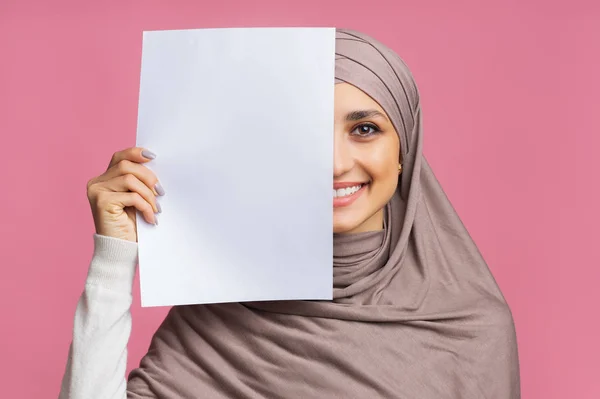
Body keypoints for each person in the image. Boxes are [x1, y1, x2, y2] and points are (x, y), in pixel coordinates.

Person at [59, 28, 521, 398]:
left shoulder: (471, 328)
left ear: (406, 147)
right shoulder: (223, 301)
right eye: (306, 131)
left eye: (364, 129)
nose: (336, 163)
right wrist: (114, 257)